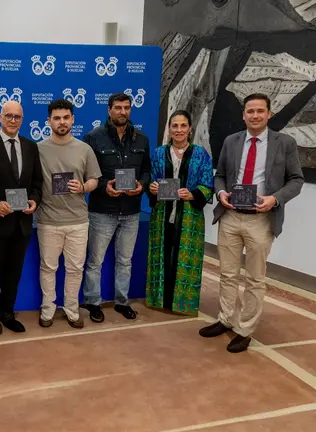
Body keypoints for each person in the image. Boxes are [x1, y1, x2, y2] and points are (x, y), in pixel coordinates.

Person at [200, 93, 303, 353]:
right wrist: (221, 193)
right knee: (227, 273)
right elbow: (220, 175)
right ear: (243, 115)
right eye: (250, 111)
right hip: (231, 217)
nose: (255, 115)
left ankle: (245, 328)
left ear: (269, 114)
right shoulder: (231, 141)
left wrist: (274, 199)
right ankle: (225, 319)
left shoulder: (285, 143)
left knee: (255, 278)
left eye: (260, 111)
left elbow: (296, 181)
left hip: (261, 220)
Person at [82, 93, 151, 322]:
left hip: (131, 210)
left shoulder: (141, 138)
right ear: (109, 110)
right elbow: (88, 175)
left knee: (125, 261)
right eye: (118, 108)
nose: (123, 112)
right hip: (102, 210)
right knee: (95, 261)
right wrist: (104, 187)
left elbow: (146, 171)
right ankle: (93, 303)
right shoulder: (93, 138)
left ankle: (122, 302)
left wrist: (141, 185)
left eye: (127, 108)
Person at [0, 100, 42, 335]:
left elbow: (37, 183)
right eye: (9, 116)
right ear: (0, 117)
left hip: (22, 223)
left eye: (17, 117)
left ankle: (7, 313)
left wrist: (34, 200)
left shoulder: (31, 147)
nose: (13, 120)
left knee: (14, 272)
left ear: (22, 120)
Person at [36, 99, 101, 328]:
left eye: (66, 117)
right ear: (49, 121)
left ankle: (72, 310)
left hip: (78, 221)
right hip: (48, 221)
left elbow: (94, 179)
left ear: (72, 119)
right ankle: (48, 310)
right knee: (48, 268)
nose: (61, 122)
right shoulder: (39, 149)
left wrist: (83, 187)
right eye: (56, 118)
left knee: (75, 269)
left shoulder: (85, 149)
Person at [145, 110, 213, 316]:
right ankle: (159, 299)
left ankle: (184, 303)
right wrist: (153, 188)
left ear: (190, 129)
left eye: (183, 126)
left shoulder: (201, 154)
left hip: (189, 216)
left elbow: (208, 184)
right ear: (169, 129)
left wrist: (192, 194)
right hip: (162, 213)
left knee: (185, 257)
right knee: (161, 253)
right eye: (174, 125)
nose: (179, 130)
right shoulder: (158, 153)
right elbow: (151, 180)